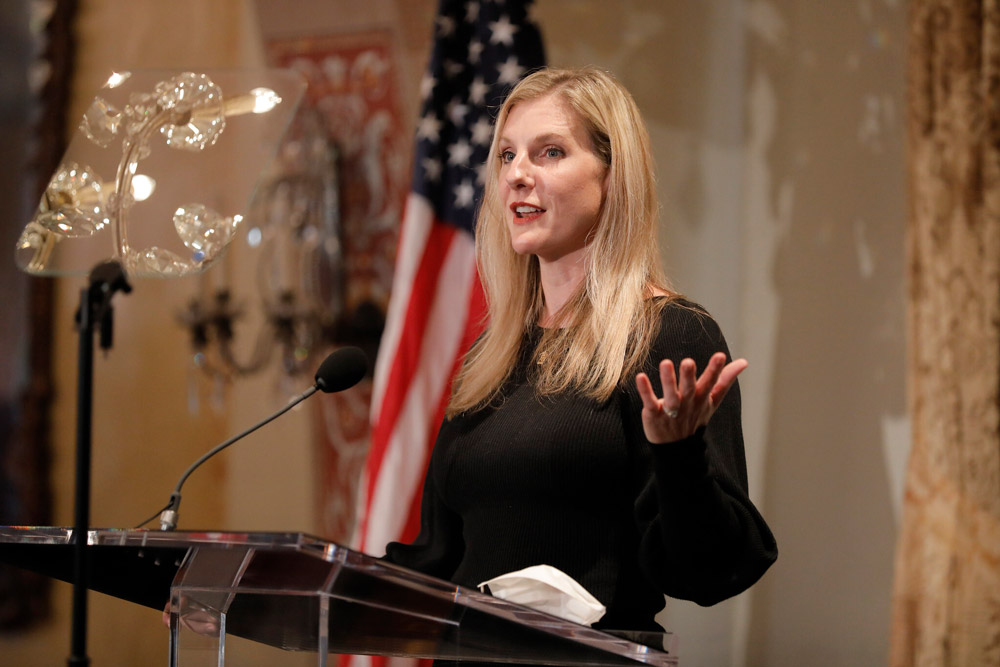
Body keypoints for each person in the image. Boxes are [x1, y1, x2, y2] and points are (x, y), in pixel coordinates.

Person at [383, 66, 777, 633]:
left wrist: (679, 454)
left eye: (548, 153)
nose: (517, 174)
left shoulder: (667, 336)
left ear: (614, 176)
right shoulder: (491, 358)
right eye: (506, 156)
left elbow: (708, 572)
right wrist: (294, 584)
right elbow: (440, 559)